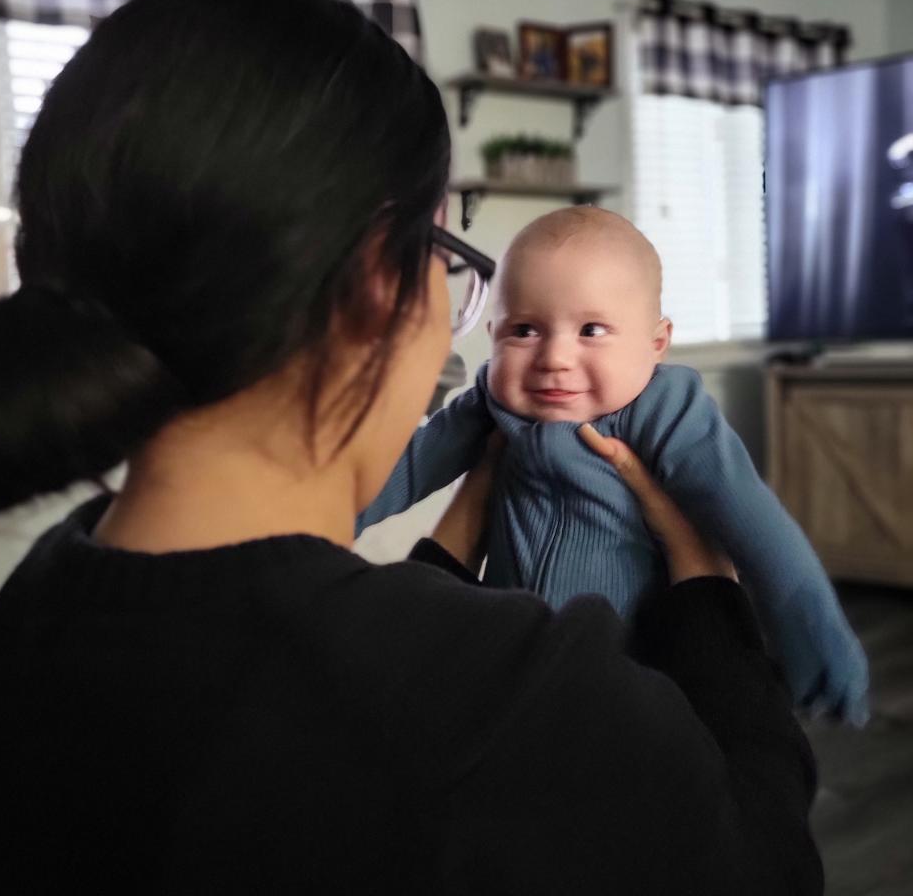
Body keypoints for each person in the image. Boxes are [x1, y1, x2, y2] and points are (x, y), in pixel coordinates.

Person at [0, 0, 822, 895]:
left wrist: (456, 535)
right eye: (443, 256)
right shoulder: (519, 698)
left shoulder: (36, 603)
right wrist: (703, 575)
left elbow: (310, 685)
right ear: (380, 278)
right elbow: (764, 857)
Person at [360, 205, 869, 724]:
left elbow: (753, 521)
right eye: (525, 330)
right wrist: (310, 521)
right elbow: (402, 470)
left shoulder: (665, 410)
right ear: (492, 332)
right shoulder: (493, 404)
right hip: (508, 670)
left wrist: (816, 643)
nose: (554, 357)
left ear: (656, 344)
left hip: (635, 681)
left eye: (592, 330)